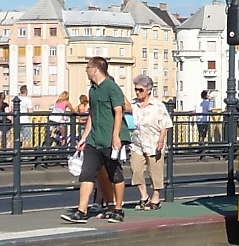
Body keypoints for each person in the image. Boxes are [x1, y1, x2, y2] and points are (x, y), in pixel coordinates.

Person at [60, 57, 128, 224]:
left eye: (88, 67)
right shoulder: (93, 90)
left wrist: (115, 135)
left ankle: (118, 209)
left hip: (110, 139)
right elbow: (92, 114)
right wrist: (84, 137)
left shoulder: (112, 88)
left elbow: (118, 112)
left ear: (96, 69)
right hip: (94, 139)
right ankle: (81, 211)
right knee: (87, 174)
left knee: (115, 174)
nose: (86, 70)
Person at [129, 75, 172, 210]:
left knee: (155, 171)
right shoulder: (133, 105)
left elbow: (165, 124)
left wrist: (161, 140)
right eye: (136, 89)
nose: (137, 92)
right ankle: (143, 196)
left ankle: (156, 198)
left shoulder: (158, 105)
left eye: (140, 90)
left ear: (148, 90)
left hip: (153, 142)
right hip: (137, 143)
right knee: (135, 169)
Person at [197, 90, 212, 158]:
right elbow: (210, 110)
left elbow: (194, 110)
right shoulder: (207, 103)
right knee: (203, 135)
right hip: (204, 120)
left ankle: (200, 147)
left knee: (200, 134)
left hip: (198, 120)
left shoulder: (197, 102)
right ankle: (201, 148)